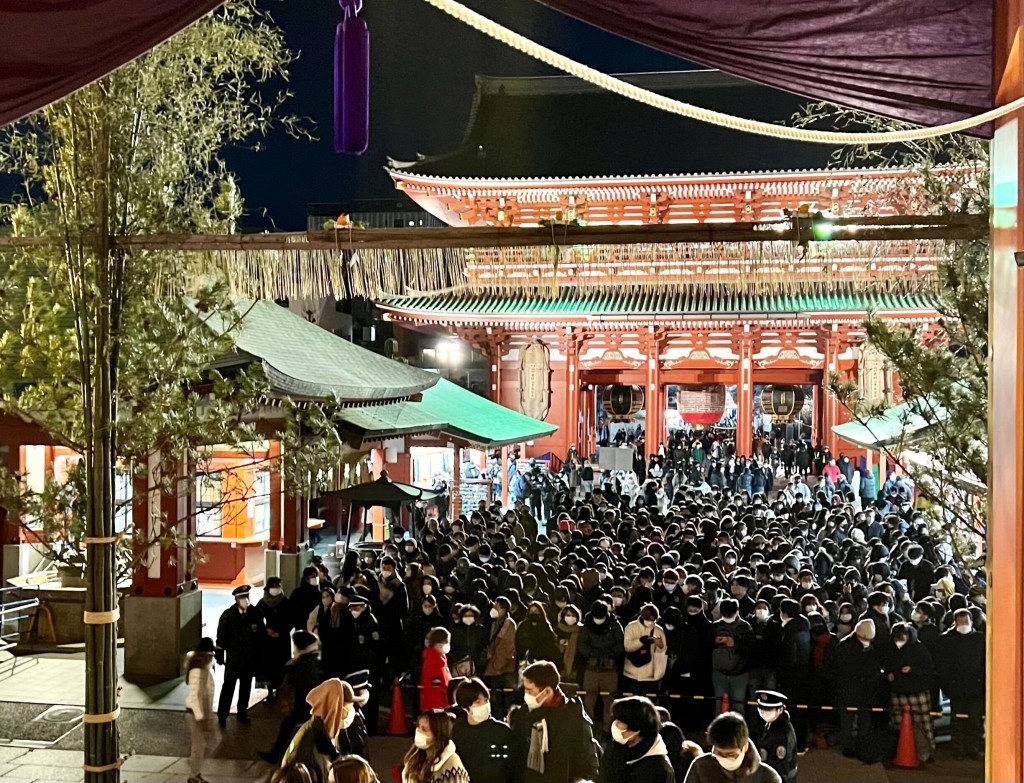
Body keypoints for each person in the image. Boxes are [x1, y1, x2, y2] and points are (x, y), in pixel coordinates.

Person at [509, 660, 599, 783]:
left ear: (547, 691)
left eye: (530, 690)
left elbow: (588, 760)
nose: (526, 695)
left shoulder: (573, 716)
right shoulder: (524, 714)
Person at [263, 630, 328, 764]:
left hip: (302, 704)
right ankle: (276, 755)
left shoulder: (301, 664)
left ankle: (277, 756)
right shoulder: (315, 659)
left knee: (291, 728)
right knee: (294, 729)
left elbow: (297, 685)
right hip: (309, 704)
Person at [281, 679, 357, 783]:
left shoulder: (336, 733)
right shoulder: (310, 746)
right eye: (348, 710)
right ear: (335, 709)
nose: (352, 713)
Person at [937, 608, 985, 759]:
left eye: (966, 621)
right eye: (960, 621)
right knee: (957, 720)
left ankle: (973, 748)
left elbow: (985, 662)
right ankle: (958, 749)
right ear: (955, 622)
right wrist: (948, 685)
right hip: (956, 687)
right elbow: (942, 665)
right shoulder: (946, 640)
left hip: (976, 687)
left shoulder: (980, 639)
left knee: (975, 721)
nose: (963, 624)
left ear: (971, 622)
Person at [683, 711, 782, 783]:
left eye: (731, 754)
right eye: (719, 753)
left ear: (745, 747)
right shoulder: (701, 767)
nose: (724, 758)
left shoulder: (768, 777)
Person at [216, 584, 265, 726]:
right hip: (234, 658)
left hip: (249, 658)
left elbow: (260, 635)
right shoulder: (228, 615)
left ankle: (242, 713)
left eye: (247, 597)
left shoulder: (255, 613)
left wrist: (260, 655)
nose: (245, 600)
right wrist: (220, 654)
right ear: (236, 599)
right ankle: (222, 715)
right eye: (242, 597)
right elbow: (221, 636)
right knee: (228, 687)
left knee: (245, 687)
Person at [833, 619, 883, 757]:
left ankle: (862, 745)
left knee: (864, 718)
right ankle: (847, 746)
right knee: (847, 720)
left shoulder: (870, 646)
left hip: (865, 690)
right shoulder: (845, 647)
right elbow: (845, 670)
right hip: (850, 688)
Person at [886, 622, 935, 763]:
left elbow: (928, 669)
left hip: (917, 691)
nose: (898, 642)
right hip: (898, 691)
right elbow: (886, 665)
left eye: (901, 638)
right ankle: (902, 751)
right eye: (896, 639)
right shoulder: (890, 650)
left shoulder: (919, 649)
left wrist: (913, 669)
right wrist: (889, 674)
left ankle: (927, 752)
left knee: (924, 724)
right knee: (899, 725)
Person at [598, 696, 674, 783]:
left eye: (620, 720)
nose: (615, 723)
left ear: (636, 728)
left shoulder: (660, 769)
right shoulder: (613, 748)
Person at [451, 678, 514, 783]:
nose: (485, 705)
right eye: (478, 702)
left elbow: (513, 768)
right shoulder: (456, 732)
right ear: (465, 707)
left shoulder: (502, 732)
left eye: (486, 700)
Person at [579, 600, 624, 735]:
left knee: (609, 700)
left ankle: (608, 729)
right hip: (591, 667)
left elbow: (620, 645)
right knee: (589, 699)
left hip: (609, 667)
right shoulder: (587, 625)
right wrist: (592, 654)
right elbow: (582, 645)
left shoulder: (615, 625)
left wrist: (609, 654)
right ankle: (587, 728)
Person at [402, 709, 470, 783]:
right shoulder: (415, 754)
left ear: (438, 736)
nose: (418, 731)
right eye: (418, 726)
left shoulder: (453, 767)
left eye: (424, 729)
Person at [185, 637, 218, 783]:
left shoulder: (203, 670)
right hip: (195, 714)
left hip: (200, 713)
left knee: (201, 745)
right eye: (211, 655)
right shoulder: (198, 672)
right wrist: (201, 718)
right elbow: (195, 698)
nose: (213, 658)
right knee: (198, 746)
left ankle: (195, 773)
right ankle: (193, 776)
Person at [483, 596, 518, 716]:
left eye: (495, 607)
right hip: (495, 665)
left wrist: (497, 665)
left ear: (503, 610)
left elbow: (506, 647)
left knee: (499, 698)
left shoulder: (508, 624)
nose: (493, 609)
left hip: (501, 667)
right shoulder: (496, 623)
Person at [622, 603, 667, 697]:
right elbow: (627, 646)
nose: (650, 622)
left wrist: (660, 645)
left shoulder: (658, 630)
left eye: (652, 620)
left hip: (651, 675)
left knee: (651, 702)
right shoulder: (631, 627)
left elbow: (662, 651)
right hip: (632, 672)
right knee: (633, 702)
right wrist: (642, 641)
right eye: (647, 619)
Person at [259, 576, 293, 699]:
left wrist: (281, 632)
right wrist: (265, 631)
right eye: (273, 587)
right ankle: (269, 692)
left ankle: (281, 690)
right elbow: (257, 620)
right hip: (267, 640)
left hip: (282, 639)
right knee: (268, 667)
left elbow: (291, 620)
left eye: (277, 587)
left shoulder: (286, 602)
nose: (275, 589)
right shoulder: (262, 603)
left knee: (282, 666)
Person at [753, 691, 797, 783]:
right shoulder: (774, 723)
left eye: (768, 710)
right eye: (761, 709)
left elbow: (780, 768)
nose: (763, 713)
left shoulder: (781, 734)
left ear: (780, 710)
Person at [420, 627, 452, 712]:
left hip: (443, 704)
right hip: (436, 708)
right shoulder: (433, 662)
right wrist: (438, 708)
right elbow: (434, 688)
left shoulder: (440, 660)